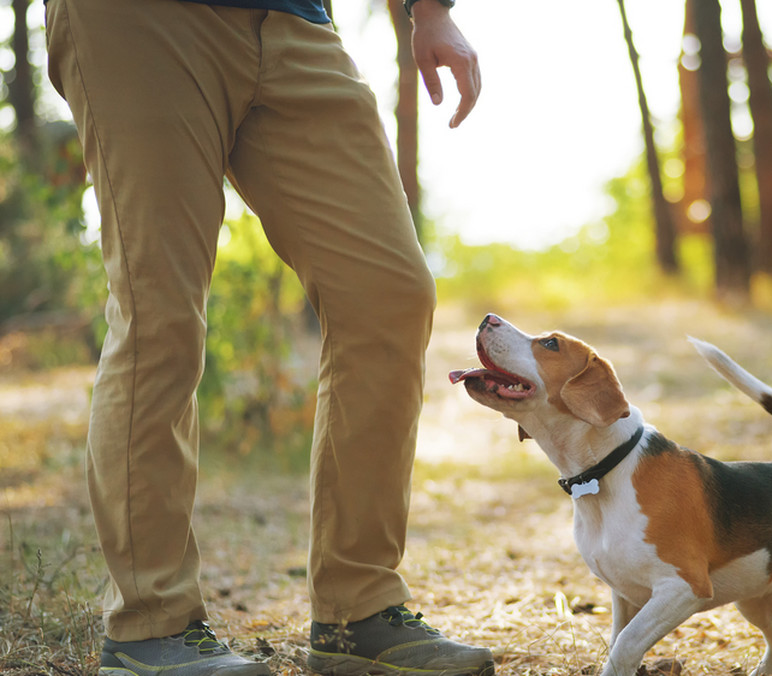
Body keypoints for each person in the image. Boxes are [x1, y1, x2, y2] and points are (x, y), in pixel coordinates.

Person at [43, 0, 489, 673]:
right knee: (158, 308)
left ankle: (357, 609)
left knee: (388, 293)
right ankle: (149, 625)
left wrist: (429, 10)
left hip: (294, 21)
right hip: (141, 20)